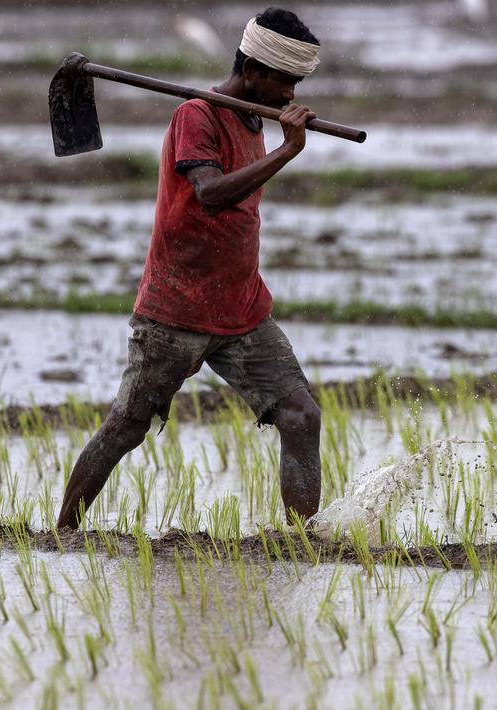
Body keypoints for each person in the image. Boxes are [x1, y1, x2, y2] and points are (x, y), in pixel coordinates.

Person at [56, 7, 323, 529]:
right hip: (176, 310)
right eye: (284, 81)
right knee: (127, 427)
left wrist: (282, 142)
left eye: (295, 83)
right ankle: (62, 532)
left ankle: (302, 543)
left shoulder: (252, 119)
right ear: (252, 71)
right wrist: (289, 151)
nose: (290, 95)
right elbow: (211, 194)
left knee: (301, 415)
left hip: (242, 309)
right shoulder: (196, 116)